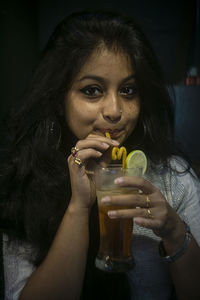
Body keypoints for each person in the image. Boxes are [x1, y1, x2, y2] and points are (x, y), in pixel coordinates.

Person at [0, 10, 200, 300]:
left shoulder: (171, 178)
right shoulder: (25, 183)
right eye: (92, 91)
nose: (115, 111)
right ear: (58, 99)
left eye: (128, 90)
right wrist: (79, 206)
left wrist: (174, 232)